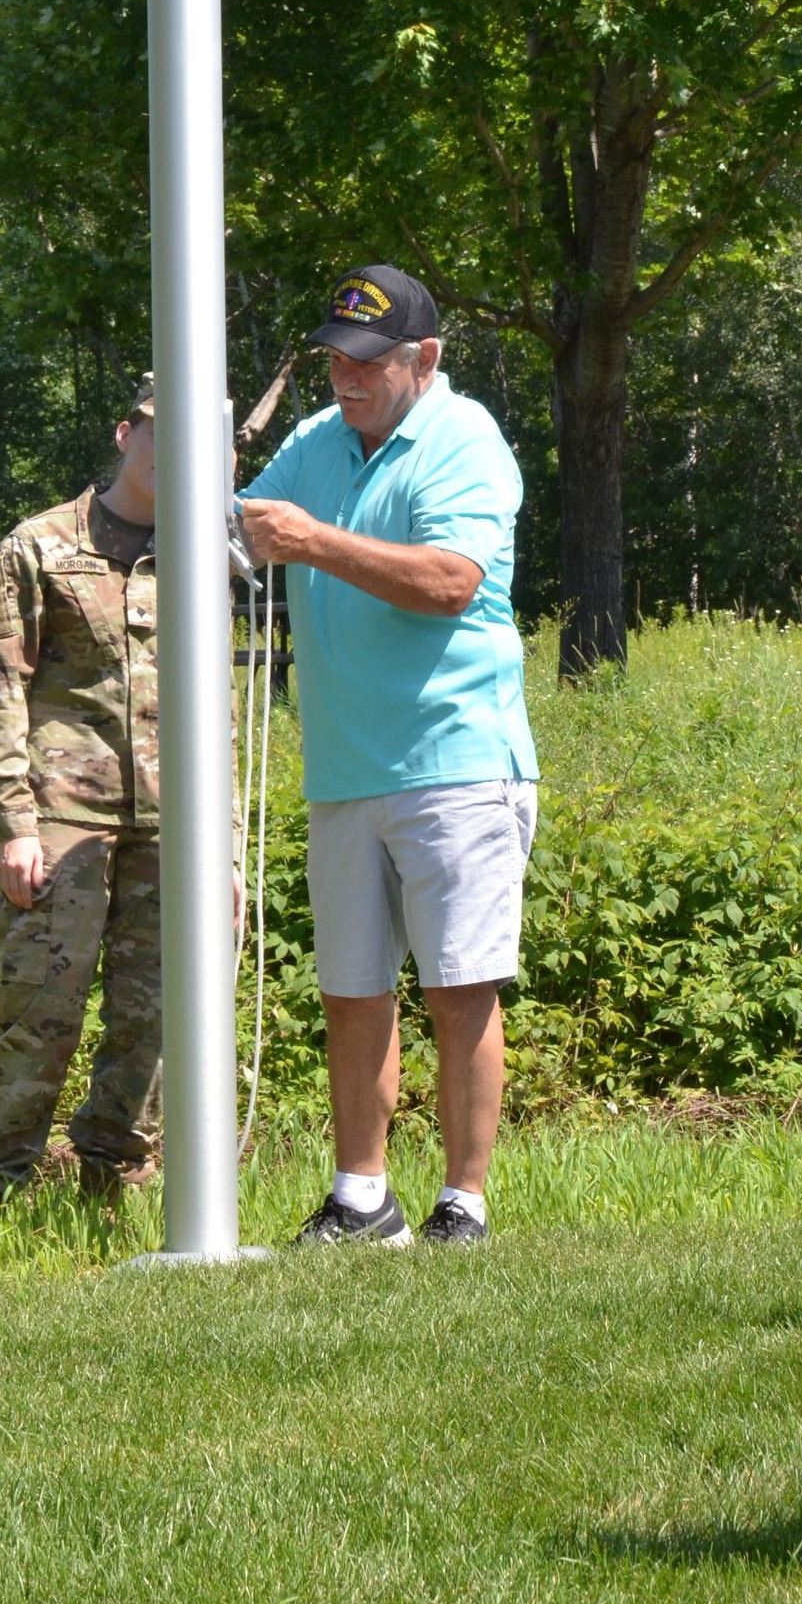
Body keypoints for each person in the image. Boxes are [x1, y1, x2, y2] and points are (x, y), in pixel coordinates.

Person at [239, 263, 538, 1247]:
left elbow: (451, 580)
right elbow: (242, 531)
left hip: (454, 758)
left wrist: (314, 543)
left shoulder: (465, 440)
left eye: (367, 361)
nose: (347, 377)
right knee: (351, 987)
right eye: (334, 358)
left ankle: (464, 1204)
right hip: (344, 764)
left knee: (459, 986)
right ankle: (362, 1197)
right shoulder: (317, 441)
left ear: (425, 359)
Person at [0, 375, 170, 1201]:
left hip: (169, 821)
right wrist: (12, 822)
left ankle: (116, 1193)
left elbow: (220, 708)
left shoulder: (201, 551)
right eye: (157, 427)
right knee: (38, 1014)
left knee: (155, 1019)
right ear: (124, 431)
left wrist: (220, 841)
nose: (172, 445)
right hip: (61, 818)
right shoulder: (37, 546)